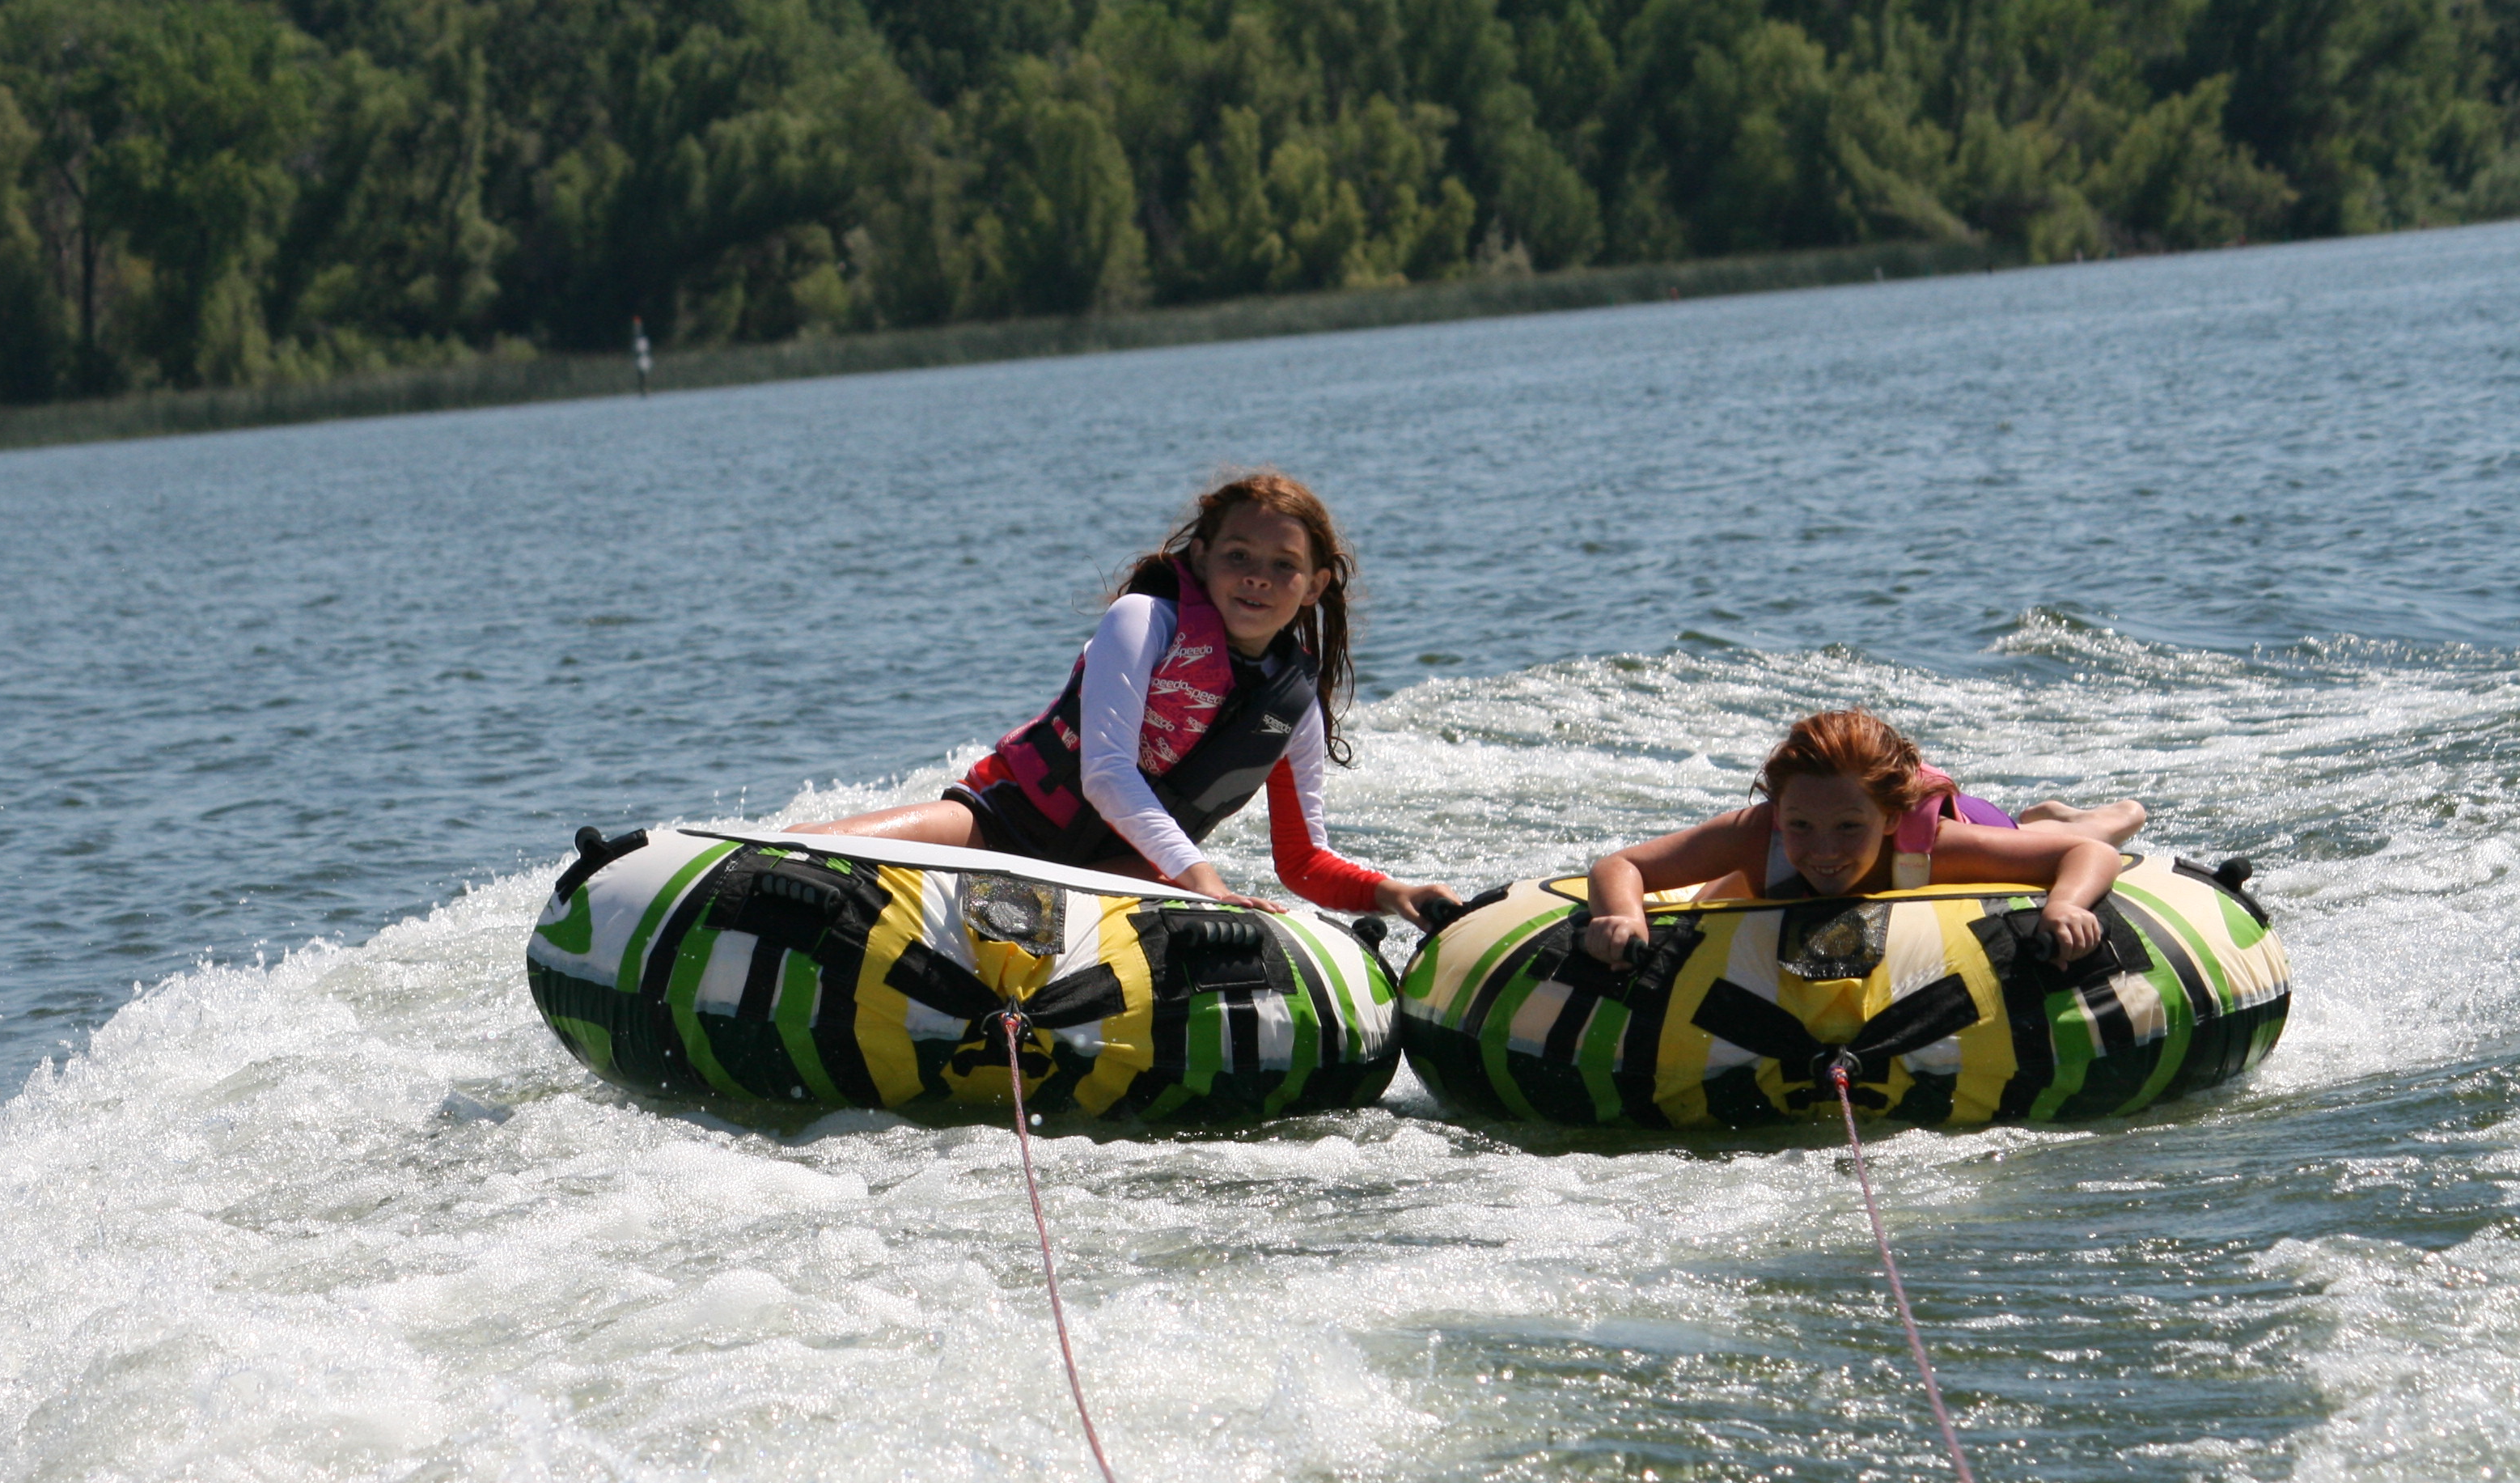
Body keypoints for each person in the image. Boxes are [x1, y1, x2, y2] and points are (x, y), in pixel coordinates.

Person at [794, 473, 1462, 925]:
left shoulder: (1292, 710)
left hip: (1119, 877)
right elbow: (1108, 773)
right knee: (797, 858)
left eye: (1283, 565)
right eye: (1238, 556)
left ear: (1314, 586)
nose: (1258, 577)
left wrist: (1391, 893)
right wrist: (1202, 879)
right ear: (1201, 559)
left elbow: (1303, 861)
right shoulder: (1143, 622)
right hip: (1000, 828)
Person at [1582, 710, 2129, 964]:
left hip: (1981, 823)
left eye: (1849, 827)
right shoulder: (1756, 833)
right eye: (1800, 825)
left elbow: (2090, 855)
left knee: (2072, 832)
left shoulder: (1938, 849)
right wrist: (1623, 918)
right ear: (1779, 812)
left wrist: (2066, 905)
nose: (1824, 849)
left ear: (1889, 818)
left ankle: (2093, 813)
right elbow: (1620, 866)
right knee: (1726, 892)